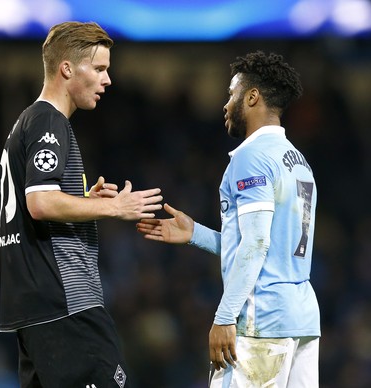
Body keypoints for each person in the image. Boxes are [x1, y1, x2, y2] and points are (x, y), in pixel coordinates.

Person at [137, 51, 320, 387]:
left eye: (231, 94)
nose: (225, 104)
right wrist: (197, 234)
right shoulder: (297, 161)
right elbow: (271, 248)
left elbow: (257, 243)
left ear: (252, 97)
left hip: (260, 319)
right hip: (302, 318)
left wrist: (224, 317)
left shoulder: (251, 158)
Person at [0, 21, 162, 388]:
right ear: (67, 69)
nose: (108, 80)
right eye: (100, 69)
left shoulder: (27, 122)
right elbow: (40, 202)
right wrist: (114, 208)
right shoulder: (48, 121)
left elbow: (33, 203)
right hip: (65, 302)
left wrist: (85, 201)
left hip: (34, 306)